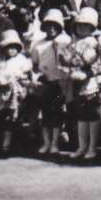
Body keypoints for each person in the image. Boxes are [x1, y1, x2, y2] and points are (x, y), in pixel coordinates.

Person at [61, 6, 101, 160]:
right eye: (79, 25)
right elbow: (68, 60)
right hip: (76, 83)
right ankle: (81, 146)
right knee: (81, 116)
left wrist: (87, 74)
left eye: (86, 25)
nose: (82, 28)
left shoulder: (95, 43)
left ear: (92, 27)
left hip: (91, 84)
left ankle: (92, 147)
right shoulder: (73, 42)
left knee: (92, 116)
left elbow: (99, 65)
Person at [0, 29, 34, 157]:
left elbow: (26, 77)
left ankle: (7, 145)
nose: (11, 50)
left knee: (10, 120)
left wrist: (24, 87)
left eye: (14, 47)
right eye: (8, 47)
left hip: (14, 96)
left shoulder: (22, 61)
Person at [31, 8, 69, 155]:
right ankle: (46, 143)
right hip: (45, 82)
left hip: (61, 82)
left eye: (55, 25)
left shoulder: (65, 41)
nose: (51, 28)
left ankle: (55, 143)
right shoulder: (38, 44)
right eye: (48, 25)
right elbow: (34, 65)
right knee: (46, 114)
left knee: (57, 114)